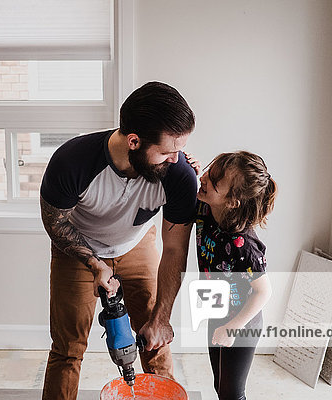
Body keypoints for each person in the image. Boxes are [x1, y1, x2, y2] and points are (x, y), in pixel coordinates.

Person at [39, 81, 198, 400]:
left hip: (137, 245)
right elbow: (55, 222)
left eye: (179, 149)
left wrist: (162, 318)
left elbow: (176, 248)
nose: (176, 159)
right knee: (68, 350)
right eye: (167, 151)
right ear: (134, 141)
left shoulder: (178, 175)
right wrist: (95, 264)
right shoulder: (73, 162)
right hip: (79, 251)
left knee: (156, 339)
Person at [192, 151, 276, 400]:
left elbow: (264, 292)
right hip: (216, 312)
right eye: (209, 170)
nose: (205, 178)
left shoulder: (244, 245)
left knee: (232, 393)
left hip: (241, 323)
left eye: (214, 180)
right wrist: (193, 170)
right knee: (220, 385)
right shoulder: (205, 209)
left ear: (233, 201)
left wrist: (232, 327)